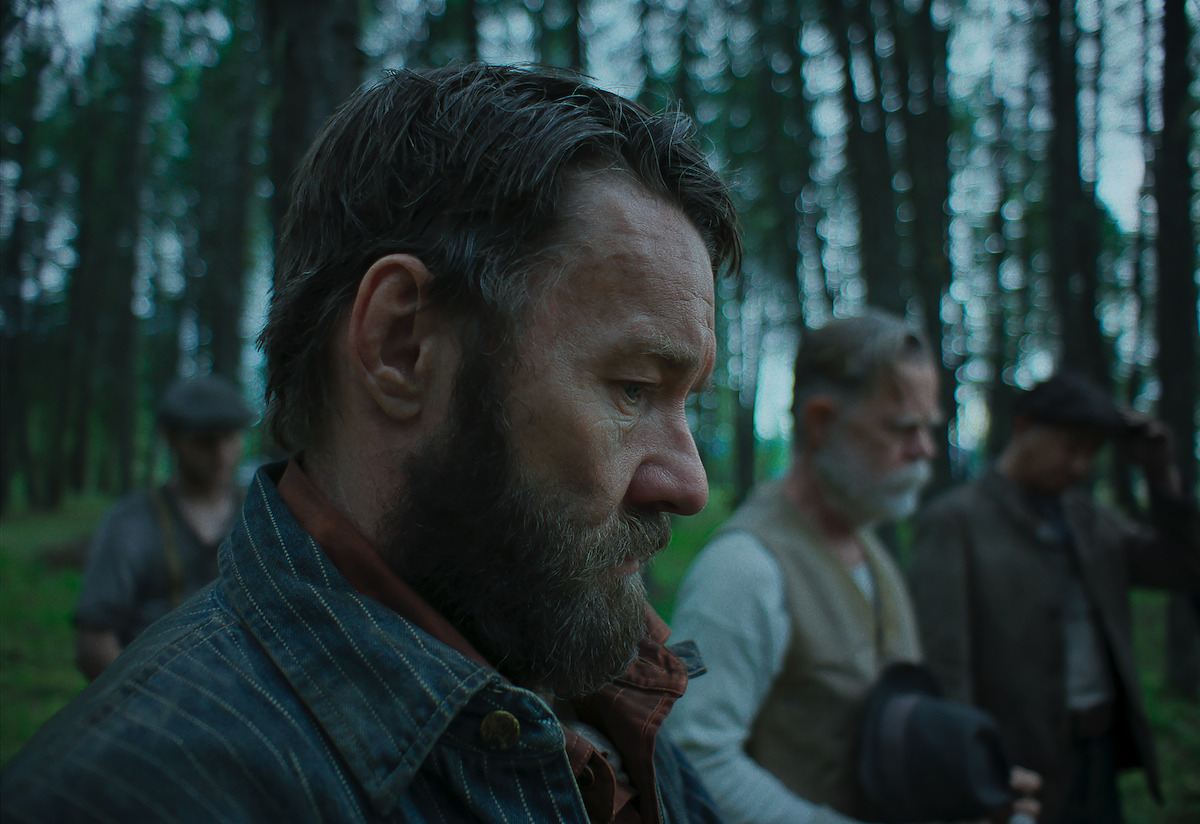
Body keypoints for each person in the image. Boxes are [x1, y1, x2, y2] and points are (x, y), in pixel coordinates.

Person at [1, 64, 742, 823]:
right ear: (402, 346)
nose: (690, 485)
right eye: (633, 389)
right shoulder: (130, 799)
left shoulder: (597, 682)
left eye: (688, 402)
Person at [665, 310, 943, 823]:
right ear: (820, 422)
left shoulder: (869, 547)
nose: (924, 450)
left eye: (929, 428)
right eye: (902, 427)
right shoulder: (742, 569)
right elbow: (695, 757)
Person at [908, 372, 1200, 824]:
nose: (1080, 466)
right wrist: (968, 773)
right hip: (1013, 764)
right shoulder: (956, 522)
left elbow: (1183, 567)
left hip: (1098, 757)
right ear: (1024, 427)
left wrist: (1160, 474)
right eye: (1071, 447)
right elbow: (945, 665)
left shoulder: (1089, 520)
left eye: (1092, 453)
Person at [74, 373, 255, 680]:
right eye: (204, 442)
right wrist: (144, 698)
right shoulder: (131, 523)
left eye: (229, 438)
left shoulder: (260, 514)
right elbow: (94, 641)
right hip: (154, 691)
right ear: (171, 438)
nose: (220, 454)